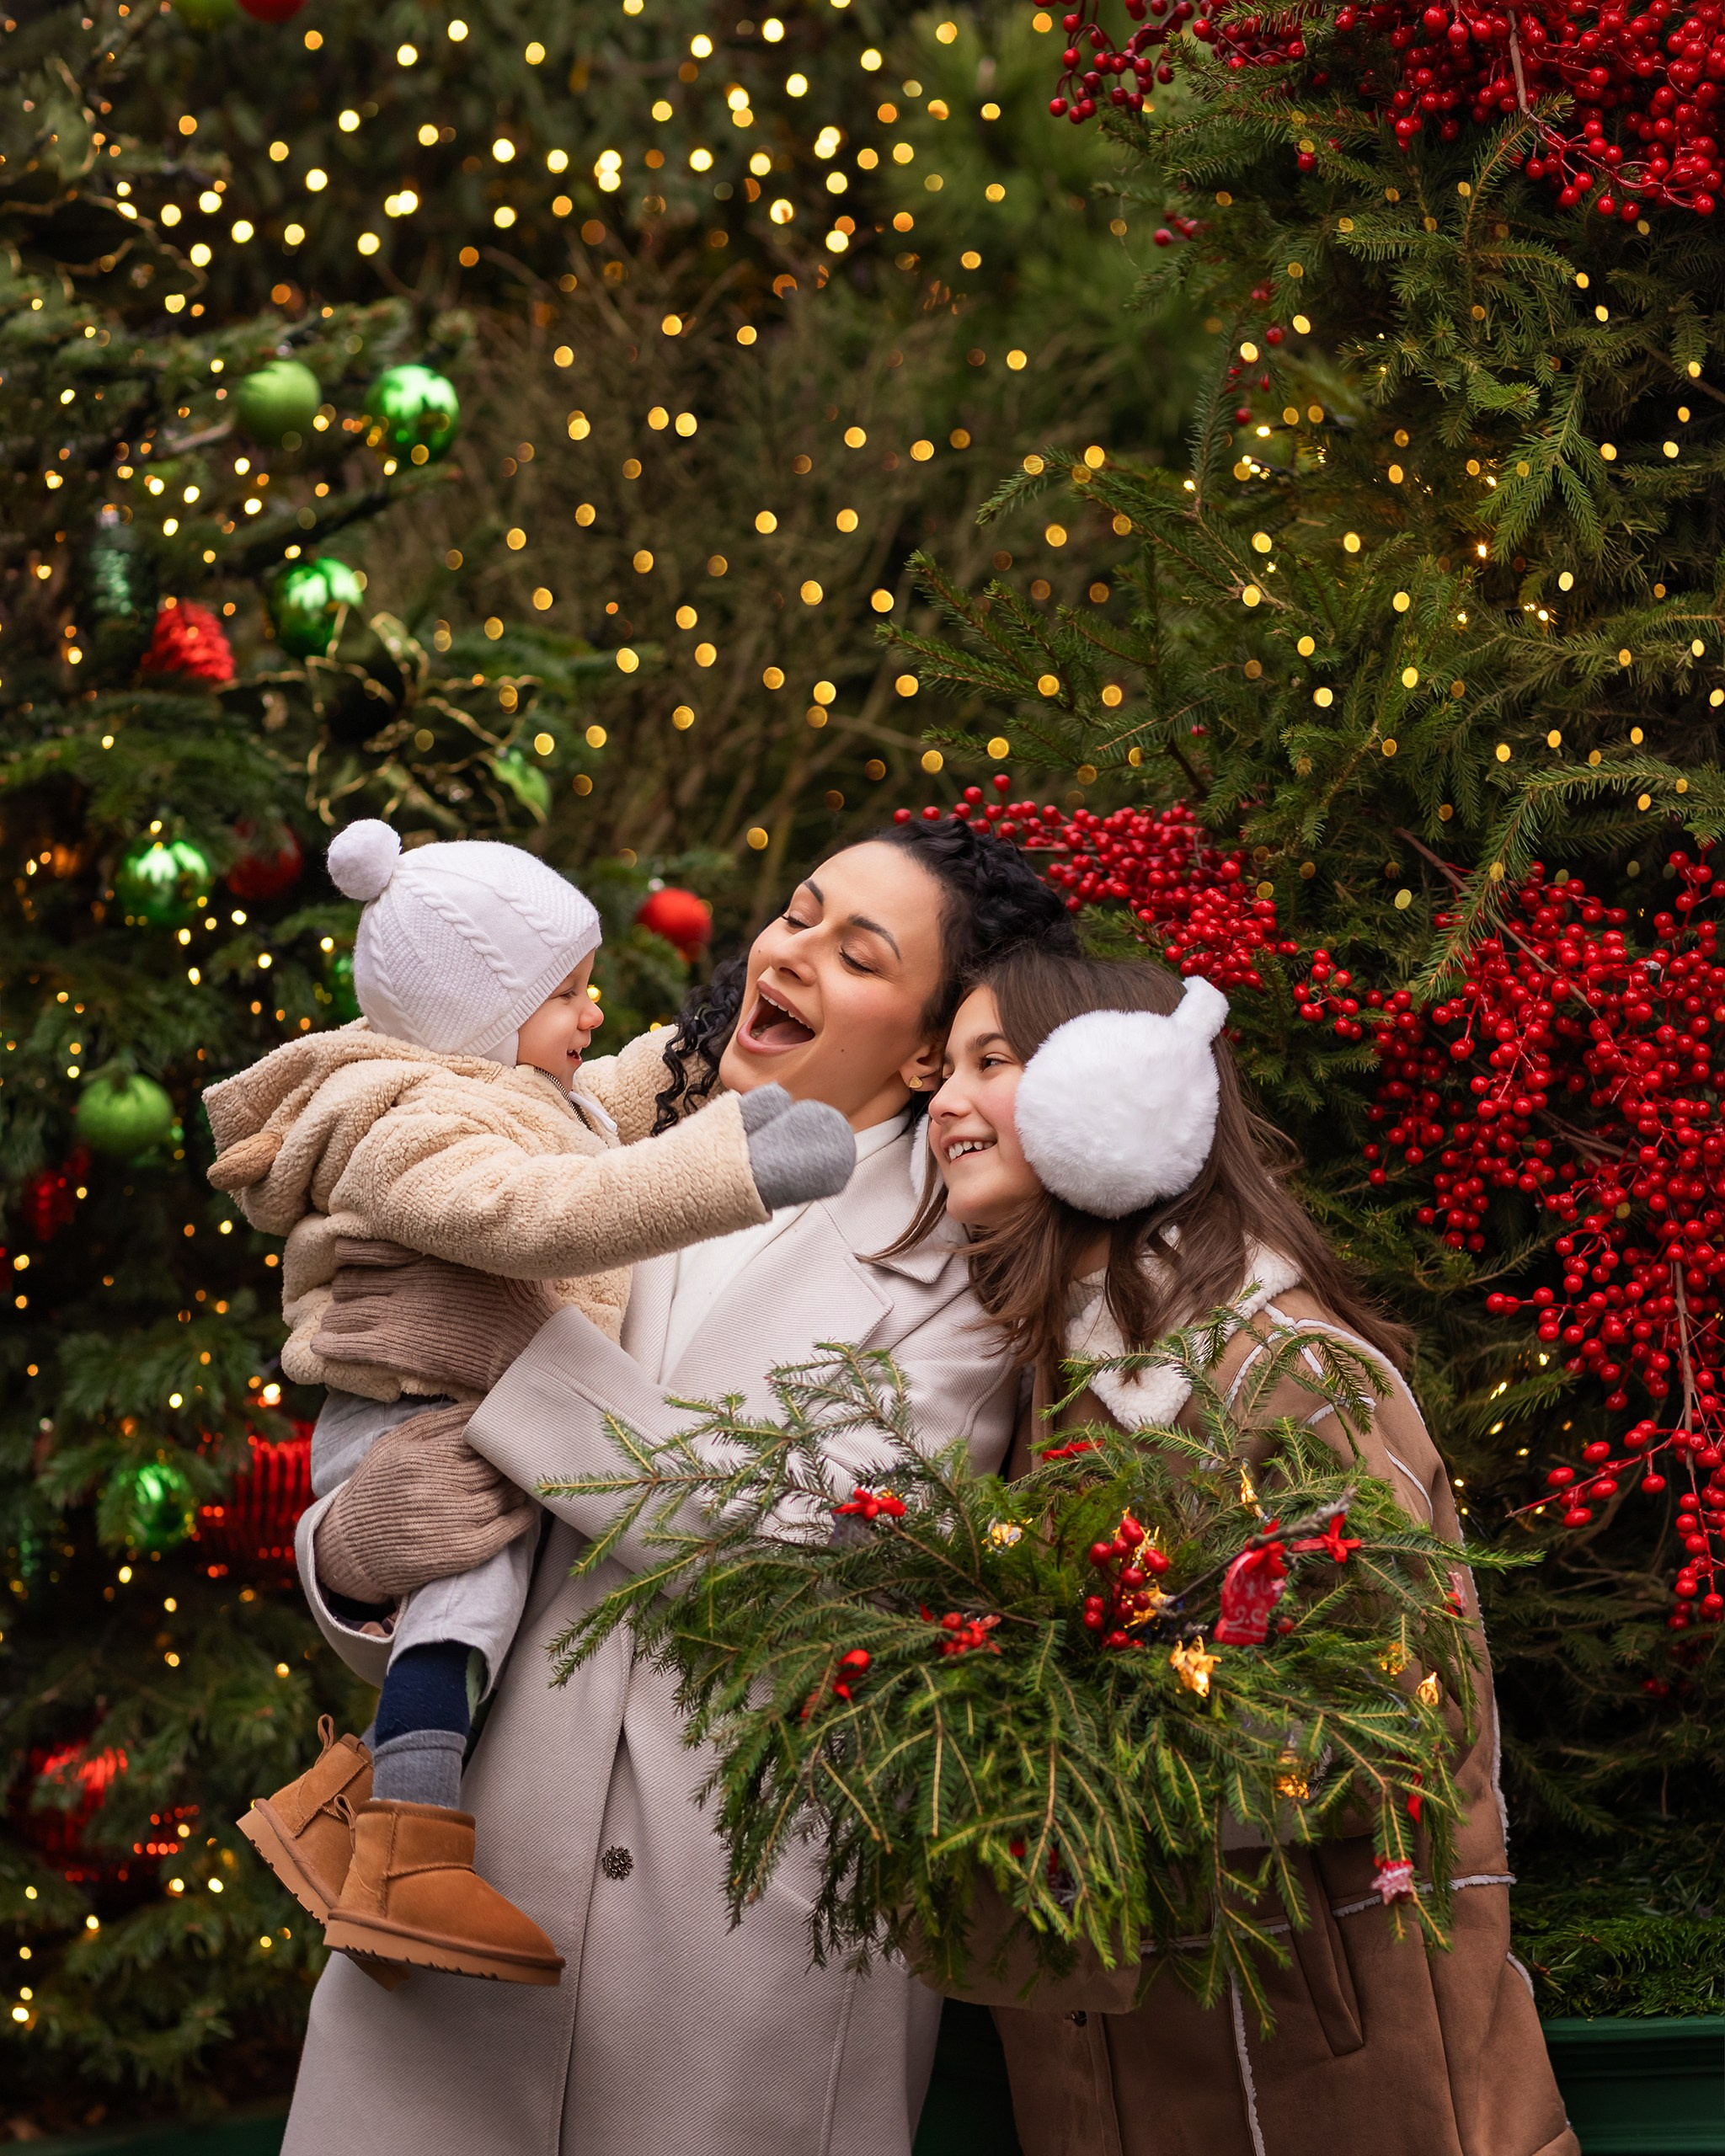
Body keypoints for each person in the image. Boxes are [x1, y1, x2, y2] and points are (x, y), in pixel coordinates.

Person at [275, 819, 1080, 2156]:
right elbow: (403, 1453)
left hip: (731, 1968)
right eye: (799, 913)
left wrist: (520, 1365)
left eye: (859, 954)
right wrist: (354, 1561)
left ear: (928, 1048)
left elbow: (817, 1564)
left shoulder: (960, 1267)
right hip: (455, 1917)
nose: (792, 952)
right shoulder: (567, 1147)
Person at [917, 942, 1578, 2156]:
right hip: (1128, 2054)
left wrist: (1088, 1755)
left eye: (991, 1061)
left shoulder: (1285, 1369)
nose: (947, 1101)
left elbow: (1402, 1721)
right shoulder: (1059, 1381)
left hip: (1322, 2056)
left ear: (1111, 1085)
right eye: (944, 1068)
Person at [206, 819, 853, 1987]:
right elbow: (536, 1211)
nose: (591, 1014)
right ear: (477, 1018)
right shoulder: (409, 1128)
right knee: (468, 1592)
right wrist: (736, 1169)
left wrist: (711, 1069)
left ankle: (351, 1829)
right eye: (565, 994)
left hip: (465, 1396)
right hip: (403, 1411)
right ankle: (408, 1850)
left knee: (478, 1598)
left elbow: (603, 1105)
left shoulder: (498, 1089)